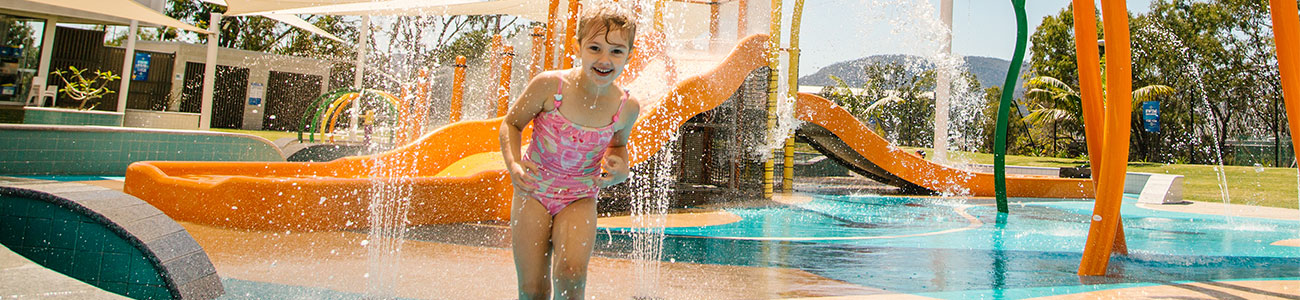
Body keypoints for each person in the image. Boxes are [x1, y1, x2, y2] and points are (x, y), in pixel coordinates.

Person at [498, 3, 640, 299]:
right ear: (578, 47)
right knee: (532, 287)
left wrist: (621, 170)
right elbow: (512, 124)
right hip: (533, 190)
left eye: (616, 51)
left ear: (629, 54)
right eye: (595, 48)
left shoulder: (625, 107)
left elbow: (618, 145)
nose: (605, 59)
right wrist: (514, 165)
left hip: (580, 194)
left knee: (572, 274)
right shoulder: (551, 86)